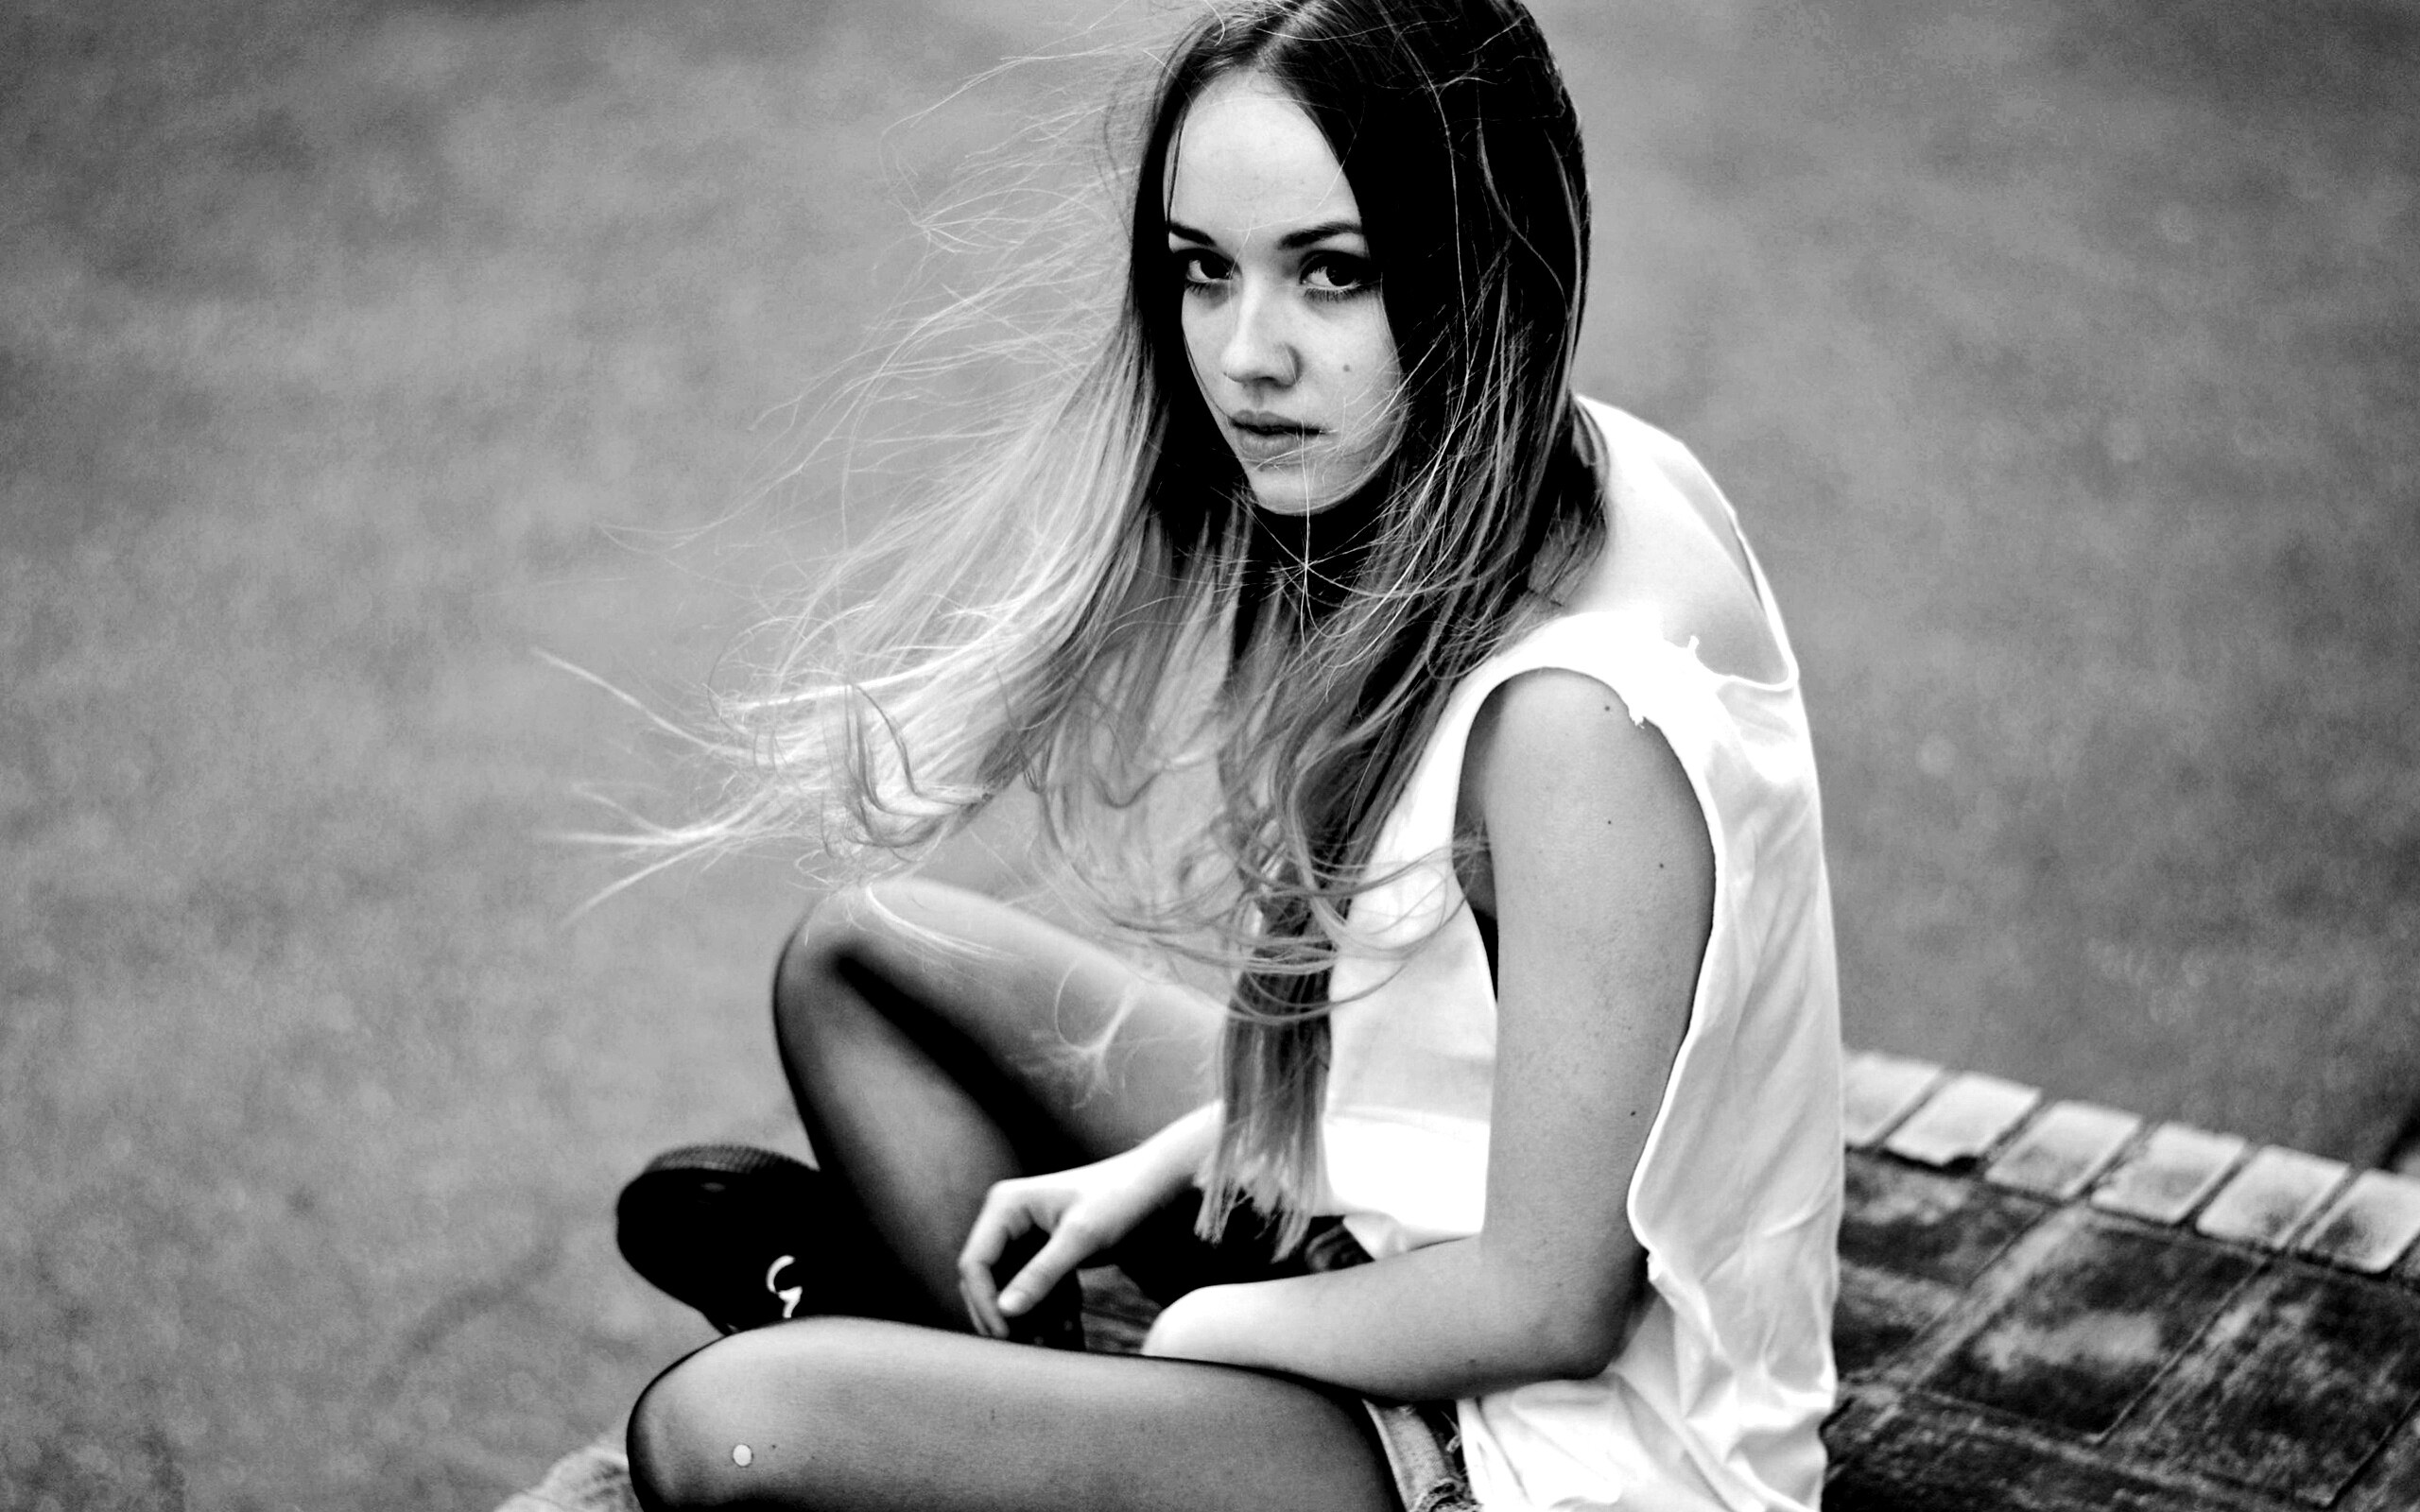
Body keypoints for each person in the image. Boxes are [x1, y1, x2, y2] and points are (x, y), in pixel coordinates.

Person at [616, 1, 1842, 1508]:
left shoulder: (1576, 724)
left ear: (1482, 262)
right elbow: (1471, 1071)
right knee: (865, 963)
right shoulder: (1563, 465)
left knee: (721, 1432)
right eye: (1204, 270)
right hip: (1411, 1221)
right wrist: (1183, 1156)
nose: (1247, 355)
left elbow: (1554, 1302)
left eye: (1334, 273)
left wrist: (1205, 1333)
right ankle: (948, 1398)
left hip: (1544, 1452)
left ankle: (910, 1382)